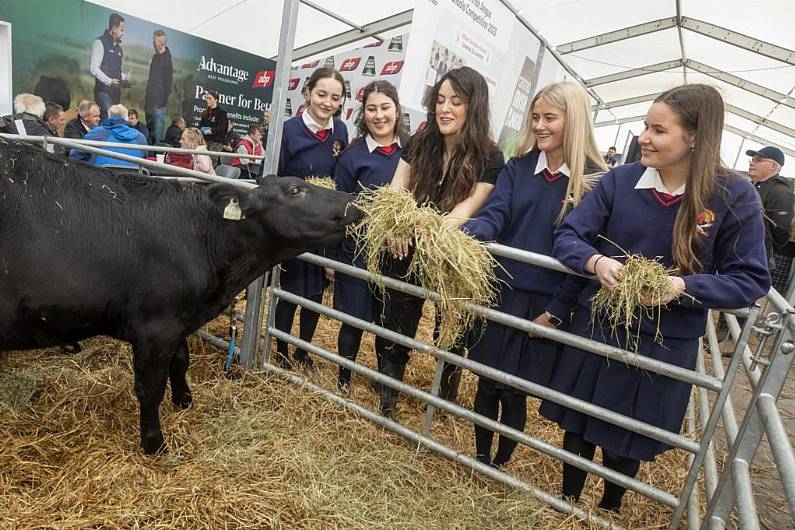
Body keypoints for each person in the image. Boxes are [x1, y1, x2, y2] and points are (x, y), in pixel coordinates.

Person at [539, 84, 771, 512]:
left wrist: (682, 287)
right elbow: (569, 234)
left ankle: (609, 507)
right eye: (646, 126)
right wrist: (596, 263)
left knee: (627, 434)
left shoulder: (733, 196)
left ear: (696, 137)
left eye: (658, 130)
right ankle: (566, 503)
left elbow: (750, 279)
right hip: (601, 324)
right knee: (578, 419)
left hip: (662, 342)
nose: (644, 137)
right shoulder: (622, 180)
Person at [463, 81, 607, 468]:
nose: (540, 125)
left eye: (550, 118)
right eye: (536, 117)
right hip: (499, 289)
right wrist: (468, 233)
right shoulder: (519, 167)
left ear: (573, 121)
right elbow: (497, 213)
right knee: (485, 379)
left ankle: (502, 462)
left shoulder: (595, 181)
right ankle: (480, 457)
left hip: (545, 302)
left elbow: (589, 251)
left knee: (514, 388)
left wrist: (558, 310)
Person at [377, 67, 505, 417]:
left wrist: (418, 227)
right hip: (404, 247)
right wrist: (396, 223)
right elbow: (395, 191)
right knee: (397, 319)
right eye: (440, 101)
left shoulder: (490, 157)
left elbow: (467, 209)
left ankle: (443, 396)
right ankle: (388, 395)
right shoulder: (419, 143)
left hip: (451, 255)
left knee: (450, 330)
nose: (444, 109)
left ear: (473, 107)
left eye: (456, 102)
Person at [331, 80, 409, 390]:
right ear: (363, 114)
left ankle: (381, 381)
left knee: (386, 323)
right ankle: (344, 379)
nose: (379, 115)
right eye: (371, 109)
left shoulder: (410, 153)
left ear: (397, 110)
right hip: (357, 251)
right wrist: (333, 257)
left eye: (385, 108)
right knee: (353, 320)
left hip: (395, 255)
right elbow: (340, 205)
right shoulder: (352, 156)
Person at [272, 67, 348, 371]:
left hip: (323, 225)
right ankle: (281, 350)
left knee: (315, 293)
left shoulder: (340, 131)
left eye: (335, 97)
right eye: (321, 94)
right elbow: (274, 179)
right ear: (307, 93)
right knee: (290, 290)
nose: (327, 102)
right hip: (293, 225)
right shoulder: (288, 130)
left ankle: (303, 352)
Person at [746, 146, 793, 288]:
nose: (752, 162)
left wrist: (764, 249)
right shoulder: (749, 186)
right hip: (738, 254)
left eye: (758, 160)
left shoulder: (781, 191)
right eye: (752, 159)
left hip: (756, 260)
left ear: (774, 166)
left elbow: (781, 232)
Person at [70, 104, 146, 168]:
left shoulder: (98, 132)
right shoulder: (140, 137)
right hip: (132, 181)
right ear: (126, 118)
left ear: (109, 116)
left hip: (101, 180)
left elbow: (75, 154)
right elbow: (144, 159)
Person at [90, 13, 132, 119]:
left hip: (116, 95)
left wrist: (125, 77)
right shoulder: (99, 43)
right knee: (110, 121)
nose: (123, 33)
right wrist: (109, 81)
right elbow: (94, 68)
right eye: (121, 30)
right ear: (114, 29)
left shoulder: (119, 49)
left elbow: (116, 71)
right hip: (103, 93)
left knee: (114, 123)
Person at [144, 29, 173, 144]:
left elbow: (168, 82)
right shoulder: (155, 57)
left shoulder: (167, 59)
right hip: (150, 102)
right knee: (150, 133)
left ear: (161, 43)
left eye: (155, 41)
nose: (153, 44)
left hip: (159, 103)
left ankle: (157, 158)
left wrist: (163, 100)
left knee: (157, 135)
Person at [198, 90, 228, 163]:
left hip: (216, 142)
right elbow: (201, 125)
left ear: (216, 100)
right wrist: (201, 130)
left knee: (211, 162)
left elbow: (221, 128)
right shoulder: (206, 112)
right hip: (205, 141)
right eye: (207, 98)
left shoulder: (222, 113)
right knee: (201, 161)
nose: (207, 100)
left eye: (210, 98)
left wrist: (210, 131)